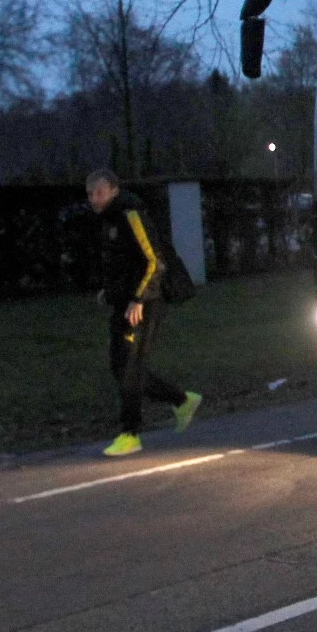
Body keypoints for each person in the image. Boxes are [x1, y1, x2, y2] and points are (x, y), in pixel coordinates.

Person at [86, 169, 201, 458]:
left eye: (99, 192)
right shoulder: (108, 219)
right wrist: (110, 292)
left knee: (131, 366)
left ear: (113, 190)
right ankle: (181, 400)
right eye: (90, 194)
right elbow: (122, 263)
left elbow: (153, 260)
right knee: (118, 364)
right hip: (124, 301)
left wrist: (139, 298)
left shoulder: (130, 213)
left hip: (146, 301)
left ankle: (130, 434)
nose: (93, 199)